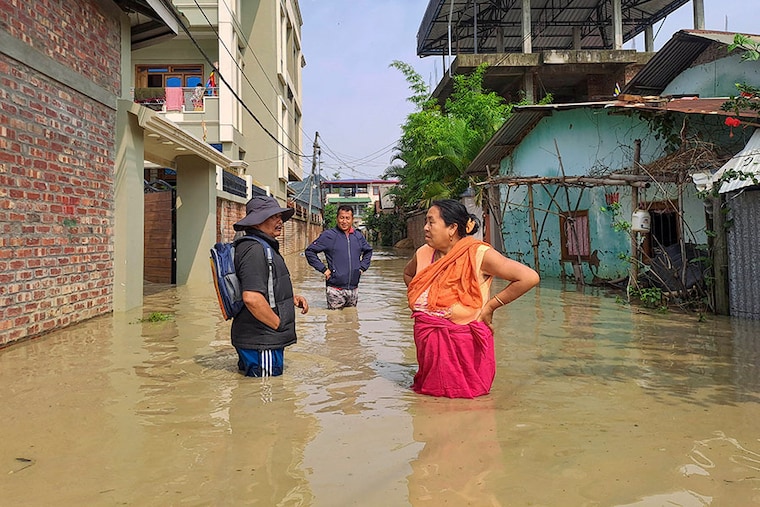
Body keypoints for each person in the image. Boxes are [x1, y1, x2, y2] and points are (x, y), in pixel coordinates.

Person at [404, 199, 540, 398]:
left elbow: (529, 277)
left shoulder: (479, 254)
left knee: (471, 406)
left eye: (431, 222)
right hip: (428, 343)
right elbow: (409, 276)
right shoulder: (424, 253)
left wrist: (491, 306)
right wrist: (424, 296)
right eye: (426, 222)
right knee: (428, 402)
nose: (425, 228)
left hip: (464, 345)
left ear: (452, 228)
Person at [231, 195, 309, 377]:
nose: (279, 220)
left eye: (279, 216)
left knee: (255, 394)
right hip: (262, 340)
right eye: (273, 216)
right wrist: (277, 325)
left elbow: (266, 287)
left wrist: (290, 299)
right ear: (257, 222)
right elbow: (252, 298)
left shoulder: (263, 246)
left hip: (260, 339)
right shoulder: (255, 250)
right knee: (266, 397)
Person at [305, 205, 373, 309]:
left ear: (352, 219)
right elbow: (310, 252)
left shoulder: (358, 236)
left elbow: (368, 251)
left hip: (354, 288)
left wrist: (362, 268)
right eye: (342, 218)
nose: (344, 221)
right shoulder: (329, 235)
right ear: (337, 218)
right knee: (334, 321)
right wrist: (324, 270)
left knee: (353, 320)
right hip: (335, 288)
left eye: (347, 218)